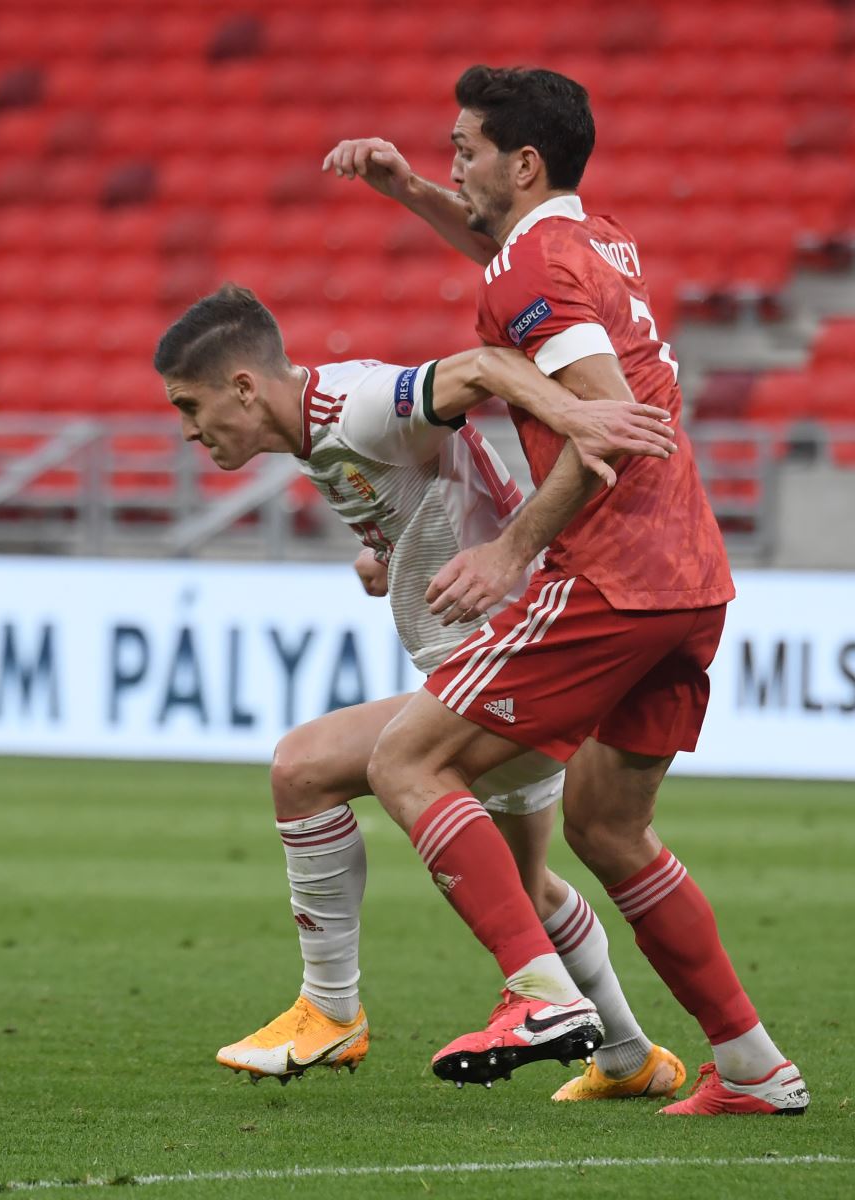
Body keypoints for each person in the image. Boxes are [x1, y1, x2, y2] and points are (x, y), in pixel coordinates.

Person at [319, 65, 808, 1115]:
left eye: (464, 150)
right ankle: (757, 1068)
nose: (452, 160)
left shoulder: (530, 268)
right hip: (690, 579)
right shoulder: (592, 243)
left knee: (410, 758)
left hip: (614, 574)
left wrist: (508, 556)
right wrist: (411, 191)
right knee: (609, 829)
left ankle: (540, 997)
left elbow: (608, 431)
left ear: (522, 162)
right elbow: (521, 286)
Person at [154, 282, 688, 1101]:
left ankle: (332, 1010)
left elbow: (482, 366)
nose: (189, 431)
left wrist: (576, 417)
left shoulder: (357, 404)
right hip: (509, 656)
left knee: (302, 769)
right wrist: (392, 554)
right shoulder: (320, 435)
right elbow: (434, 477)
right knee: (528, 886)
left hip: (513, 656)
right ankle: (628, 1058)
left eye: (190, 407)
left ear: (244, 388)